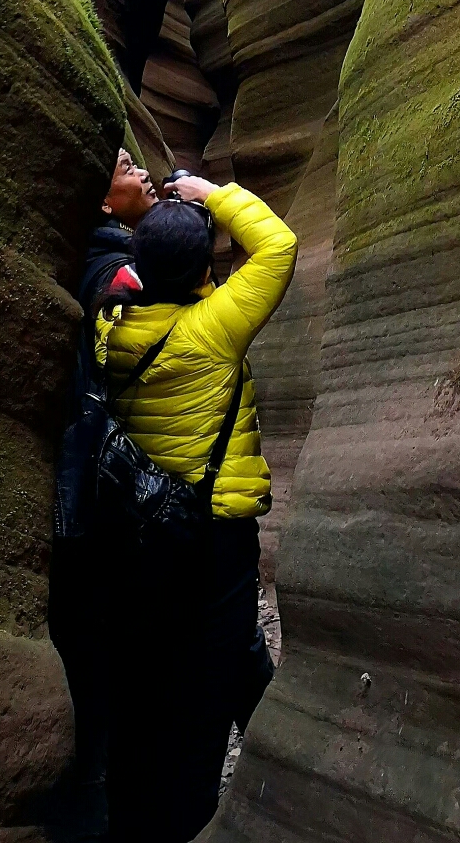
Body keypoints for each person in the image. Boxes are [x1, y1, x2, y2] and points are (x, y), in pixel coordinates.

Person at [104, 171, 298, 843]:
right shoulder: (213, 329)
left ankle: (273, 747)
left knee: (177, 664)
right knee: (210, 675)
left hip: (147, 527)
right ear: (204, 268)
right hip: (216, 531)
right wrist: (213, 192)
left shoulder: (116, 323)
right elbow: (277, 247)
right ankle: (193, 816)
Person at [48, 147, 160, 839]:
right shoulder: (116, 275)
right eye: (123, 166)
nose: (141, 169)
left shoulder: (106, 260)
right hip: (112, 505)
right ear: (99, 200)